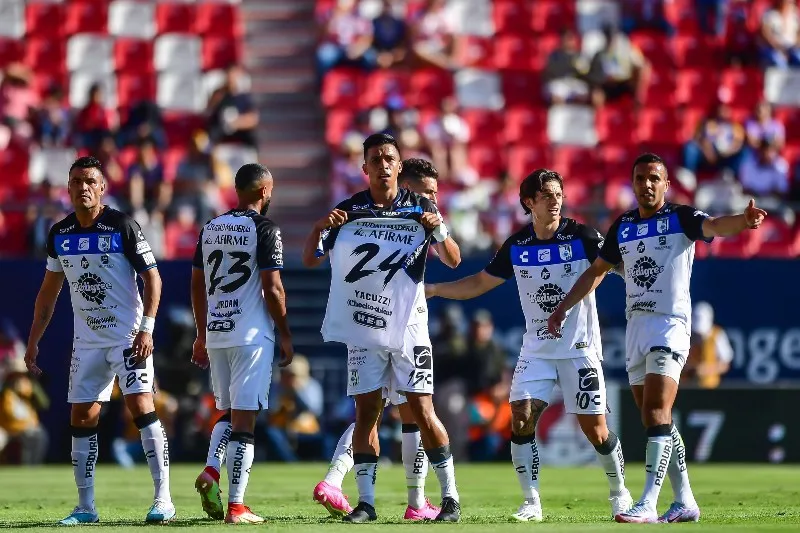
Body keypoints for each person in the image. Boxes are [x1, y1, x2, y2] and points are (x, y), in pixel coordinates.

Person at [547, 153, 767, 523]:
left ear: (666, 184)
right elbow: (598, 271)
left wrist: (743, 222)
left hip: (670, 324)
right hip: (637, 327)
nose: (646, 185)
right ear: (632, 184)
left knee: (655, 411)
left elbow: (714, 226)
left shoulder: (681, 218)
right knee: (654, 419)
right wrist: (564, 306)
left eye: (653, 178)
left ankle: (648, 502)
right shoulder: (623, 226)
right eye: (639, 178)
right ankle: (685, 501)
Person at [426, 169, 633, 522]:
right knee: (520, 417)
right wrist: (433, 290)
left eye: (558, 194)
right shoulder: (517, 246)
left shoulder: (582, 236)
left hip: (579, 348)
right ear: (528, 203)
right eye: (547, 196)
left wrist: (636, 277)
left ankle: (620, 493)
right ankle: (531, 501)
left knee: (594, 429)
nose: (555, 201)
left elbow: (614, 266)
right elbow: (480, 282)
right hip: (536, 349)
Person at [302, 135, 462, 523]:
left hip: (410, 326)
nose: (384, 165)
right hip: (365, 326)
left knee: (422, 411)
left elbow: (454, 259)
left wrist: (438, 229)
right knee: (367, 412)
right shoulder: (349, 210)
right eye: (376, 159)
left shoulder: (420, 208)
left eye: (390, 158)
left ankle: (451, 499)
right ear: (365, 168)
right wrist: (320, 226)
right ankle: (368, 503)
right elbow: (310, 259)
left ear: (399, 165)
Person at [24, 156, 174, 524]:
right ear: (68, 187)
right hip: (88, 342)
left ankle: (163, 500)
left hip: (128, 338)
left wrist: (147, 329)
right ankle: (86, 508)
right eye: (76, 181)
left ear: (102, 187)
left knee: (140, 406)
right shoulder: (60, 233)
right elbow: (48, 294)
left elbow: (153, 279)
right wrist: (33, 342)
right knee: (82, 415)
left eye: (90, 181)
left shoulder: (122, 225)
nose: (83, 187)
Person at [190, 163, 294, 524]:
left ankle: (212, 470)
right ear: (265, 191)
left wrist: (201, 334)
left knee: (229, 413)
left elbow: (196, 285)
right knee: (245, 421)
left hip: (217, 335)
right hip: (251, 335)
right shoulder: (265, 228)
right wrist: (285, 334)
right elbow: (273, 287)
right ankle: (236, 506)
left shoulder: (210, 228)